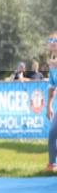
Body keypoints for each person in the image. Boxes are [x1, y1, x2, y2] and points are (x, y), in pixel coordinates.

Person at [45, 32, 56, 172]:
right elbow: (52, 87)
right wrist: (48, 106)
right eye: (51, 40)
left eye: (55, 40)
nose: (53, 42)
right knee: (53, 132)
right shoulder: (52, 64)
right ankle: (52, 165)